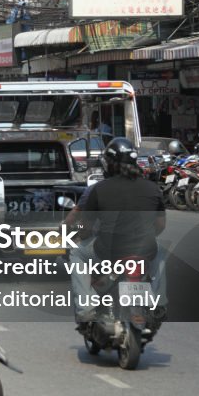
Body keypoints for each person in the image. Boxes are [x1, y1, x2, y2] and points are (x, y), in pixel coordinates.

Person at [63, 137, 166, 325]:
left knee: (77, 253)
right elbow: (160, 225)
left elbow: (84, 226)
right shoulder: (152, 189)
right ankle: (159, 302)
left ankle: (86, 309)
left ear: (108, 164)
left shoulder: (98, 189)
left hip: (108, 251)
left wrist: (75, 234)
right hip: (145, 250)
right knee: (160, 253)